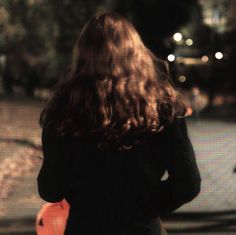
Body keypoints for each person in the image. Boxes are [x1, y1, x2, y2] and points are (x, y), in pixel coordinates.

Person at [37, 12, 201, 235]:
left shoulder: (65, 107)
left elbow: (51, 190)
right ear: (136, 53)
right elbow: (188, 183)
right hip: (142, 227)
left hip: (86, 226)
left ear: (83, 54)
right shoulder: (163, 105)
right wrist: (144, 207)